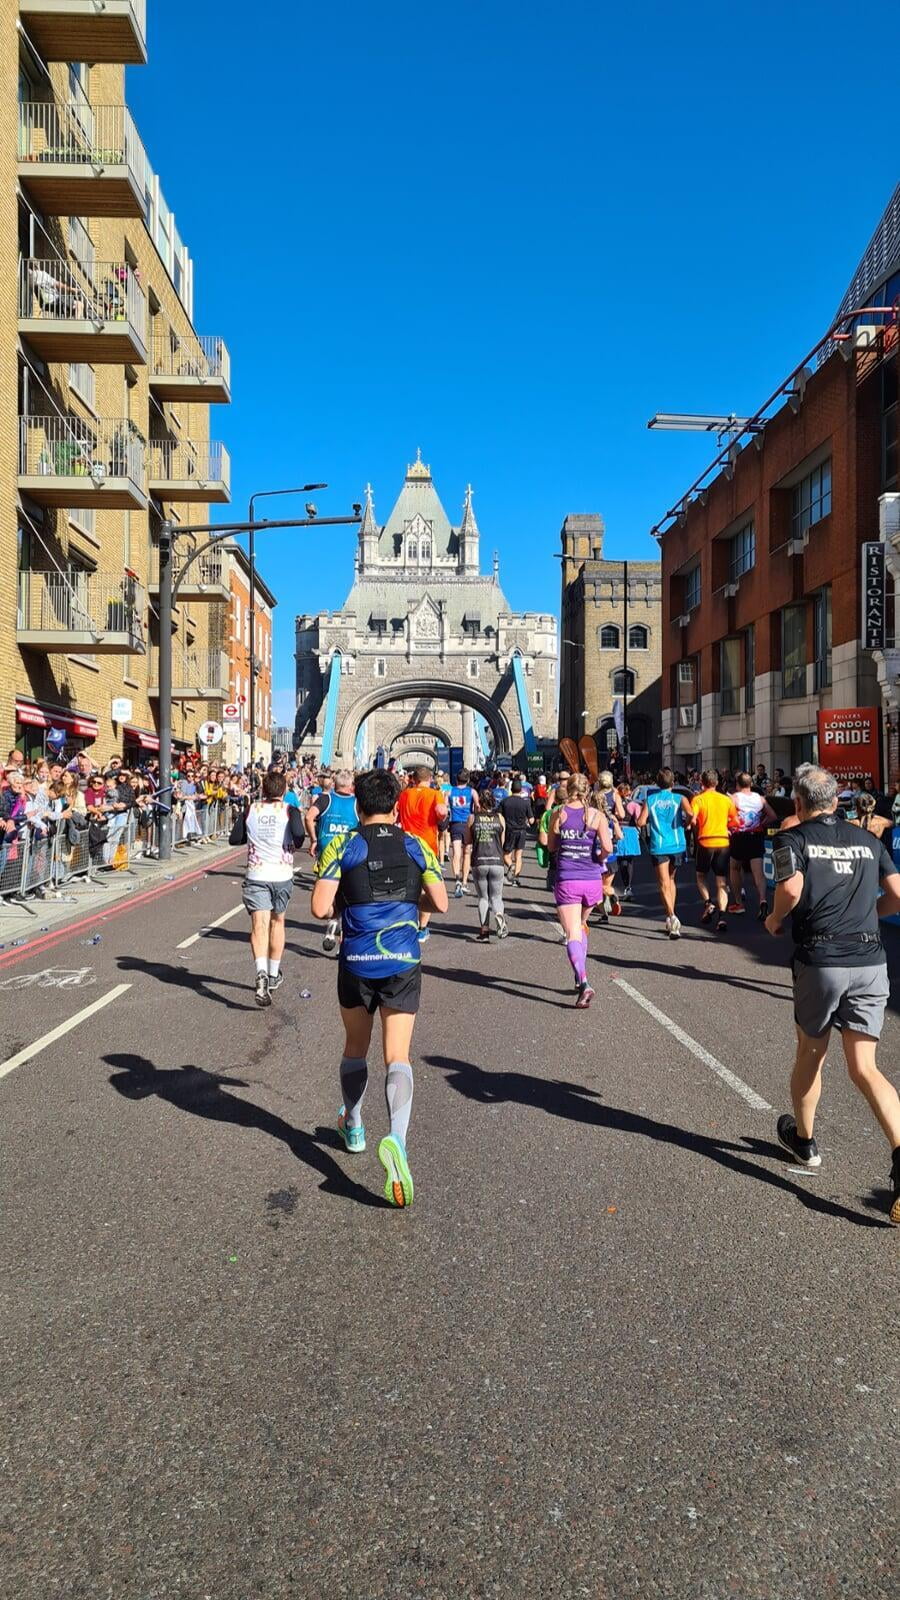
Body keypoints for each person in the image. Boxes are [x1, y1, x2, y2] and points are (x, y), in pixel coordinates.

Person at [765, 765, 900, 1222]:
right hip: (869, 961)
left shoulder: (791, 839)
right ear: (837, 799)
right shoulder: (870, 840)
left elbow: (790, 887)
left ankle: (804, 1143)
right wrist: (870, 917)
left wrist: (773, 919)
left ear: (798, 803)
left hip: (822, 960)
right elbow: (897, 894)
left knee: (811, 1051)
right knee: (866, 1068)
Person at [311, 768, 448, 1207]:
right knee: (398, 1056)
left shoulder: (342, 845)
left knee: (355, 1048)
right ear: (395, 806)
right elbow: (441, 903)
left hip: (356, 959)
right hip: (403, 958)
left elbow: (318, 908)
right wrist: (413, 900)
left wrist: (345, 898)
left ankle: (353, 1125)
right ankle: (398, 1141)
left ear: (359, 806)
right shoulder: (416, 845)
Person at [230, 770, 305, 1006]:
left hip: (256, 874)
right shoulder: (289, 810)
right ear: (284, 791)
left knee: (258, 925)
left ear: (263, 790)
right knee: (277, 922)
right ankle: (273, 975)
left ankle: (260, 971)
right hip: (281, 875)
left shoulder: (251, 809)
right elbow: (300, 836)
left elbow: (235, 839)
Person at [548, 772, 612, 1008]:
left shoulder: (559, 813)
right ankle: (579, 971)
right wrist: (598, 855)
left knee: (572, 932)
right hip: (592, 880)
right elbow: (607, 847)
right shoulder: (596, 816)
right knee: (582, 926)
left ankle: (584, 981)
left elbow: (552, 846)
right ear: (587, 791)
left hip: (568, 879)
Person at [306, 768, 359, 952]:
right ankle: (342, 943)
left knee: (326, 898)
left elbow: (309, 816)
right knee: (347, 899)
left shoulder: (325, 799)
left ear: (335, 784)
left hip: (326, 856)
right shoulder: (356, 803)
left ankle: (331, 926)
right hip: (349, 857)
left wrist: (313, 839)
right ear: (351, 786)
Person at [638, 768, 694, 938]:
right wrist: (687, 825)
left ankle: (671, 915)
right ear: (673, 783)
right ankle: (671, 917)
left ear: (657, 783)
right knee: (671, 880)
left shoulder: (651, 800)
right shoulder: (680, 798)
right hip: (677, 844)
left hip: (659, 844)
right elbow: (691, 813)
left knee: (663, 883)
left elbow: (641, 821)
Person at [396, 765, 448, 945]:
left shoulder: (404, 794)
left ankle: (405, 922)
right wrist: (443, 814)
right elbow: (441, 812)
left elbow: (395, 814)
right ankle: (422, 928)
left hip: (405, 845)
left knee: (408, 886)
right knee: (427, 890)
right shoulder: (435, 794)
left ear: (414, 779)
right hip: (428, 848)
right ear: (430, 779)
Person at [691, 769, 739, 932]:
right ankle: (722, 917)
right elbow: (736, 821)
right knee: (721, 882)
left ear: (701, 783)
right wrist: (726, 826)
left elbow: (693, 818)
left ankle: (708, 903)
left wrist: (692, 825)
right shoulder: (726, 800)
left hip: (705, 841)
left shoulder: (698, 799)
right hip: (723, 841)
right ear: (717, 783)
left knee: (701, 875)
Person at [728, 771, 778, 920]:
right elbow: (773, 816)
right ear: (751, 784)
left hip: (740, 835)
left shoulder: (734, 798)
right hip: (756, 836)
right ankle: (763, 900)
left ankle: (738, 903)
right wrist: (761, 824)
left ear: (737, 785)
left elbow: (728, 815)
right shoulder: (760, 799)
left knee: (735, 868)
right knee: (759, 873)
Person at [467, 789, 507, 941]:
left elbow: (468, 840)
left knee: (483, 898)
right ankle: (499, 915)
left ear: (479, 803)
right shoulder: (500, 818)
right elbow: (502, 841)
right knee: (496, 897)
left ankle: (484, 931)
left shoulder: (472, 818)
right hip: (497, 860)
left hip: (479, 861)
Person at [447, 767, 479, 897]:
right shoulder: (472, 792)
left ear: (456, 779)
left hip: (455, 823)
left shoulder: (449, 792)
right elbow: (477, 806)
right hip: (468, 824)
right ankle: (465, 882)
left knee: (456, 853)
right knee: (467, 853)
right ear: (468, 779)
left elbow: (444, 808)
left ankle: (457, 880)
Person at [500, 778, 531, 887]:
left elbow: (499, 816)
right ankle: (516, 877)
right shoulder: (525, 803)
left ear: (511, 789)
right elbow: (531, 819)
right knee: (519, 855)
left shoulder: (505, 801)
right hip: (522, 831)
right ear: (521, 790)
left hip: (509, 830)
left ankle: (510, 866)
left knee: (505, 854)